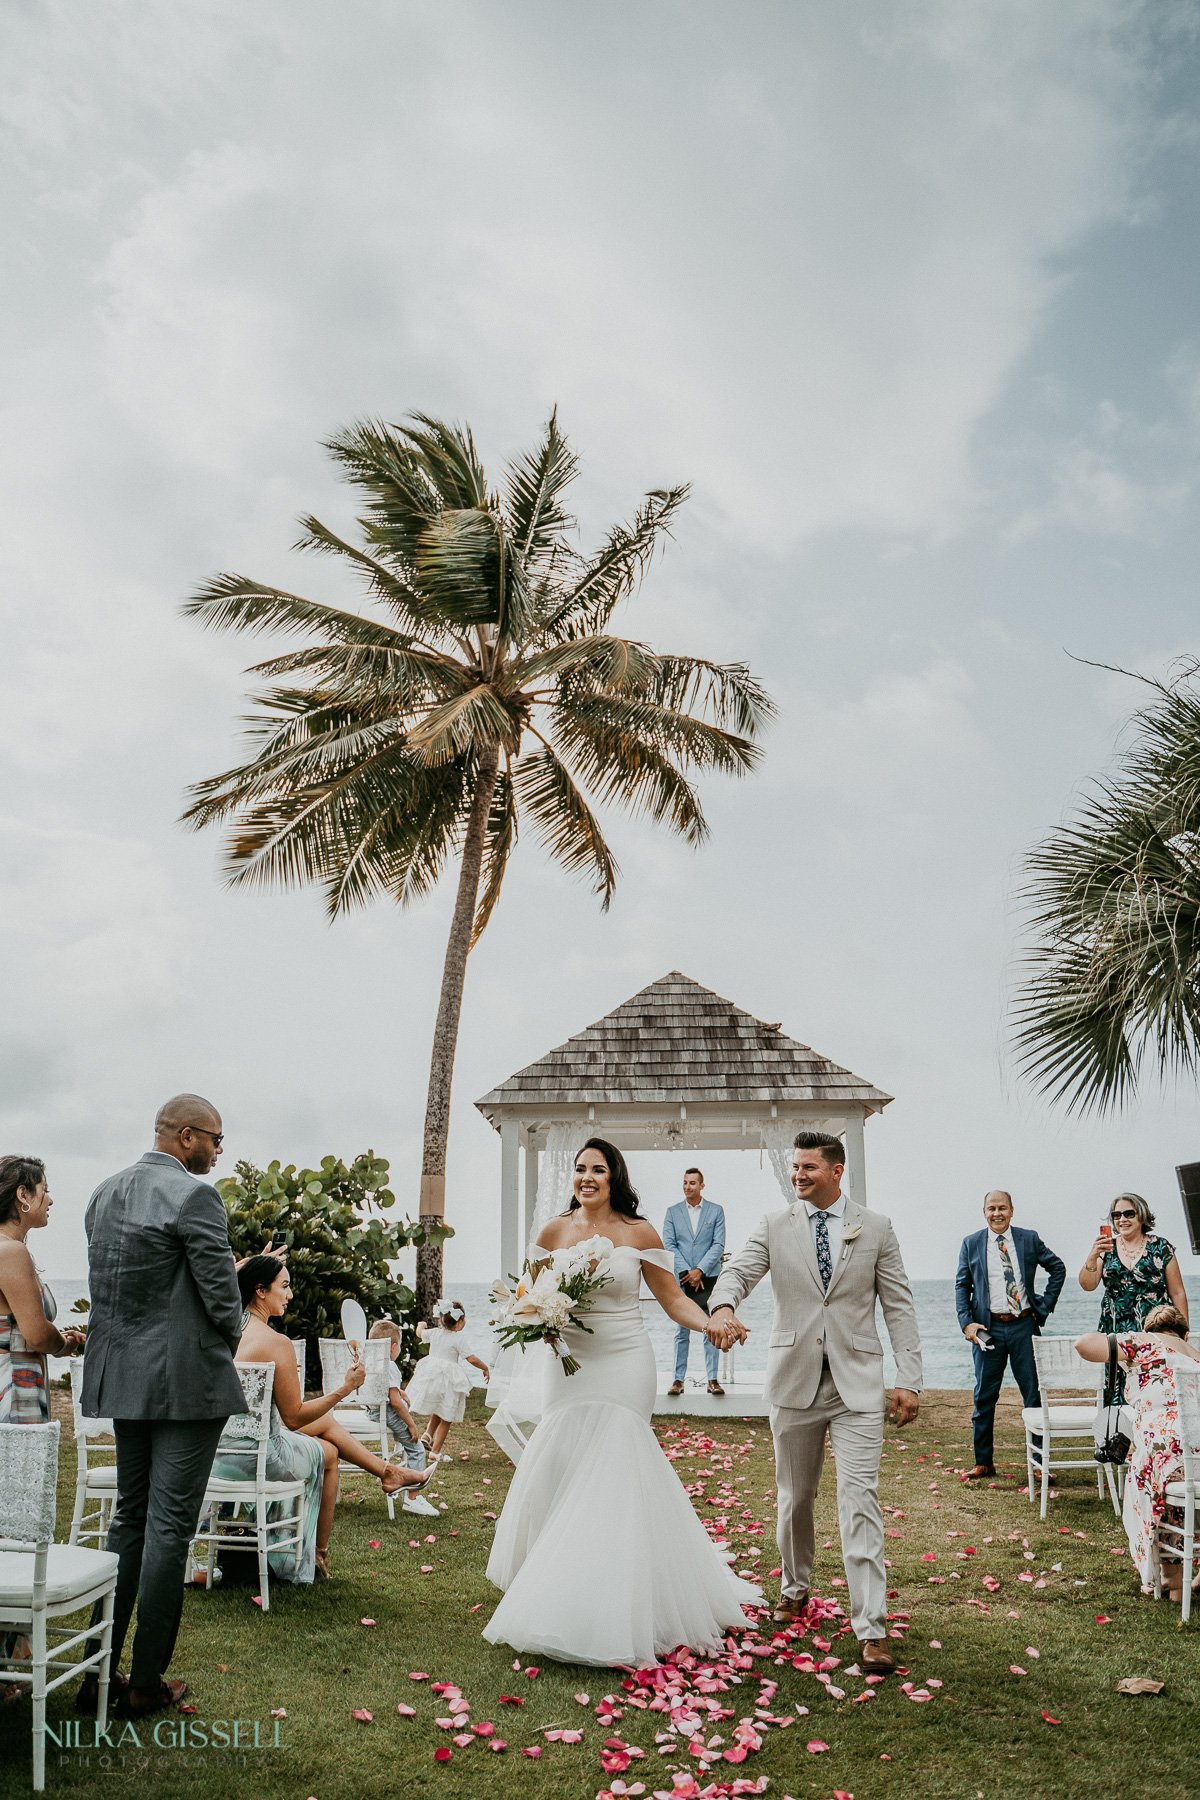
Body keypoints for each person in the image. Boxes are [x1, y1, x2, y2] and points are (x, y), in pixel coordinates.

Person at [483, 1137, 754, 1666]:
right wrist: (536, 1320)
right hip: (571, 1367)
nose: (587, 1178)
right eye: (581, 1169)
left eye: (598, 1170)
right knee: (567, 1465)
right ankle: (565, 1584)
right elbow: (527, 1298)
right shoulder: (552, 1232)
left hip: (625, 1361)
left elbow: (674, 1298)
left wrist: (712, 1322)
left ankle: (621, 1598)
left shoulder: (639, 1232)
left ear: (615, 1178)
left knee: (615, 1466)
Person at [708, 1130, 922, 1672]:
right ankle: (794, 1585)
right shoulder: (775, 1225)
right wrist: (724, 1305)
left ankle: (871, 1628)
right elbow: (738, 1271)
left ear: (836, 1170)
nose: (798, 1175)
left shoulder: (876, 1227)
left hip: (858, 1388)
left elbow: (898, 1306)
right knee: (795, 1497)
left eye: (808, 1167)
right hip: (794, 1383)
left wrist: (909, 1378)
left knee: (859, 1501)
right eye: (795, 1167)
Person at [78, 1095, 246, 1720]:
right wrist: (219, 1347)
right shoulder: (195, 1197)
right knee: (169, 1528)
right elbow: (223, 1299)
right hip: (184, 1386)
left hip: (124, 1379)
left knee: (129, 1521)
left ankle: (98, 1674)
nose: (219, 1151)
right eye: (216, 1139)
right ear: (185, 1135)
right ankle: (145, 1681)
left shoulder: (103, 1193)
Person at [220, 1258, 434, 1579]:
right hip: (257, 1457)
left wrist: (258, 1260)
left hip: (215, 1450)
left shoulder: (222, 1326)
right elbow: (293, 1418)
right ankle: (318, 1556)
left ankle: (389, 1473)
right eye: (285, 1286)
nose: (290, 1295)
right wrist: (345, 1388)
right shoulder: (276, 1344)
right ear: (260, 1291)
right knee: (330, 1454)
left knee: (327, 1427)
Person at [0, 1156, 87, 1699]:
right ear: (22, 1197)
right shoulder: (10, 1251)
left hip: (16, 1383)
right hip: (16, 1390)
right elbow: (34, 1332)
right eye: (45, 1190)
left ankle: (11, 1653)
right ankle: (10, 1662)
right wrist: (70, 1340)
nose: (51, 1199)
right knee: (16, 1517)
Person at [1075, 1306, 1200, 1601]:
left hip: (1166, 1447)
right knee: (1183, 1484)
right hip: (1197, 1451)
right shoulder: (1195, 1354)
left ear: (1149, 1330)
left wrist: (1126, 1340)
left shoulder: (1141, 1342)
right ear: (1185, 1333)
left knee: (1141, 1478)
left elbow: (1082, 1344)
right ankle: (1182, 1576)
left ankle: (1169, 1577)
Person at [955, 1190, 1066, 1480]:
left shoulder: (1028, 1238)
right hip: (987, 1329)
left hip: (1023, 1326)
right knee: (984, 1397)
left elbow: (1057, 1268)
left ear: (1012, 1210)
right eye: (991, 1208)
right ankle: (983, 1462)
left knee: (1033, 1396)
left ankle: (1040, 1464)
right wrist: (967, 1323)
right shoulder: (971, 1244)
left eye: (1002, 1208)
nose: (997, 1213)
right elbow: (961, 1286)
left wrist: (1043, 1306)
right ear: (984, 1212)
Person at [1079, 1195, 1188, 1402]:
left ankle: (1154, 1431)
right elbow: (1088, 1285)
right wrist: (1093, 1256)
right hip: (1116, 1326)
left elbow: (1177, 1292)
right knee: (1117, 1386)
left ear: (1142, 1216)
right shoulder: (1106, 1249)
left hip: (1156, 1328)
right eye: (1117, 1215)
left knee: (1157, 1383)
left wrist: (1182, 1330)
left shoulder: (1162, 1247)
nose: (1122, 1219)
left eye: (1129, 1213)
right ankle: (1119, 1434)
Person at [663, 1167, 727, 1396]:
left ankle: (712, 1380)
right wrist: (687, 1273)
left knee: (711, 1328)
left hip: (709, 1279)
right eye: (685, 1183)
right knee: (682, 1330)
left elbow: (718, 1245)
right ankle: (678, 1380)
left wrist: (700, 1270)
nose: (687, 1186)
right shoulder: (672, 1212)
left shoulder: (716, 1211)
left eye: (692, 1183)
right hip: (682, 1280)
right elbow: (669, 1245)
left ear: (702, 1185)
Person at [367, 1318, 439, 1517]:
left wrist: (399, 1391)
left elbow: (388, 1391)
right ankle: (413, 1498)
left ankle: (403, 1479)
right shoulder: (390, 1365)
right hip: (388, 1414)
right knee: (416, 1449)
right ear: (393, 1346)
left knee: (407, 1442)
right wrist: (411, 1425)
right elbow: (395, 1403)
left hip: (371, 1411)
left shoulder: (371, 1362)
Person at [405, 1300, 490, 1464]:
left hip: (432, 1374)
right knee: (446, 1415)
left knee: (439, 1407)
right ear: (459, 1322)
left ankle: (427, 1436)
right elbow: (470, 1358)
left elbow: (419, 1332)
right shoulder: (458, 1339)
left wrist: (421, 1324)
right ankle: (435, 1452)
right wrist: (484, 1367)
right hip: (448, 1379)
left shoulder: (435, 1333)